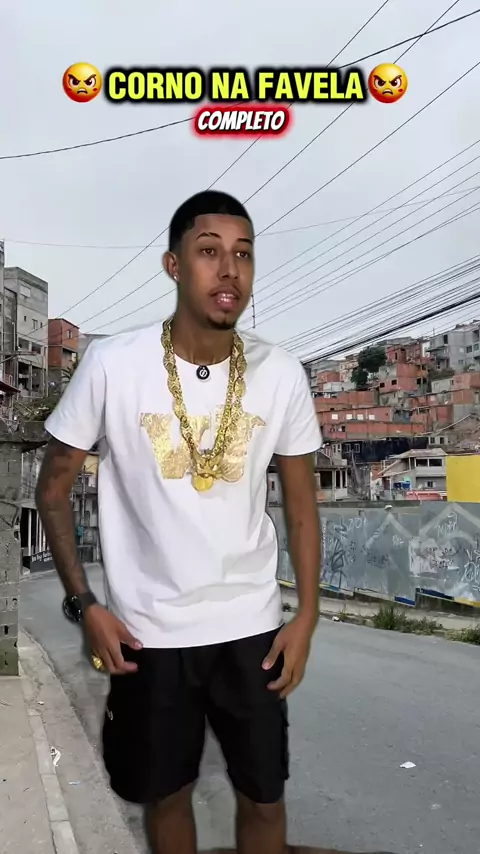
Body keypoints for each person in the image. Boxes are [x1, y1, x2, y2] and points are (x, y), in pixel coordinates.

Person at [36, 190, 322, 854]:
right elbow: (52, 490)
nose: (229, 270)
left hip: (252, 629)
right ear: (173, 265)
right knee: (167, 796)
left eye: (243, 254)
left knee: (265, 797)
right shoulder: (113, 364)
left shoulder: (281, 373)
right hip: (149, 633)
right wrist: (85, 606)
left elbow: (303, 507)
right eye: (209, 251)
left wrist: (306, 616)